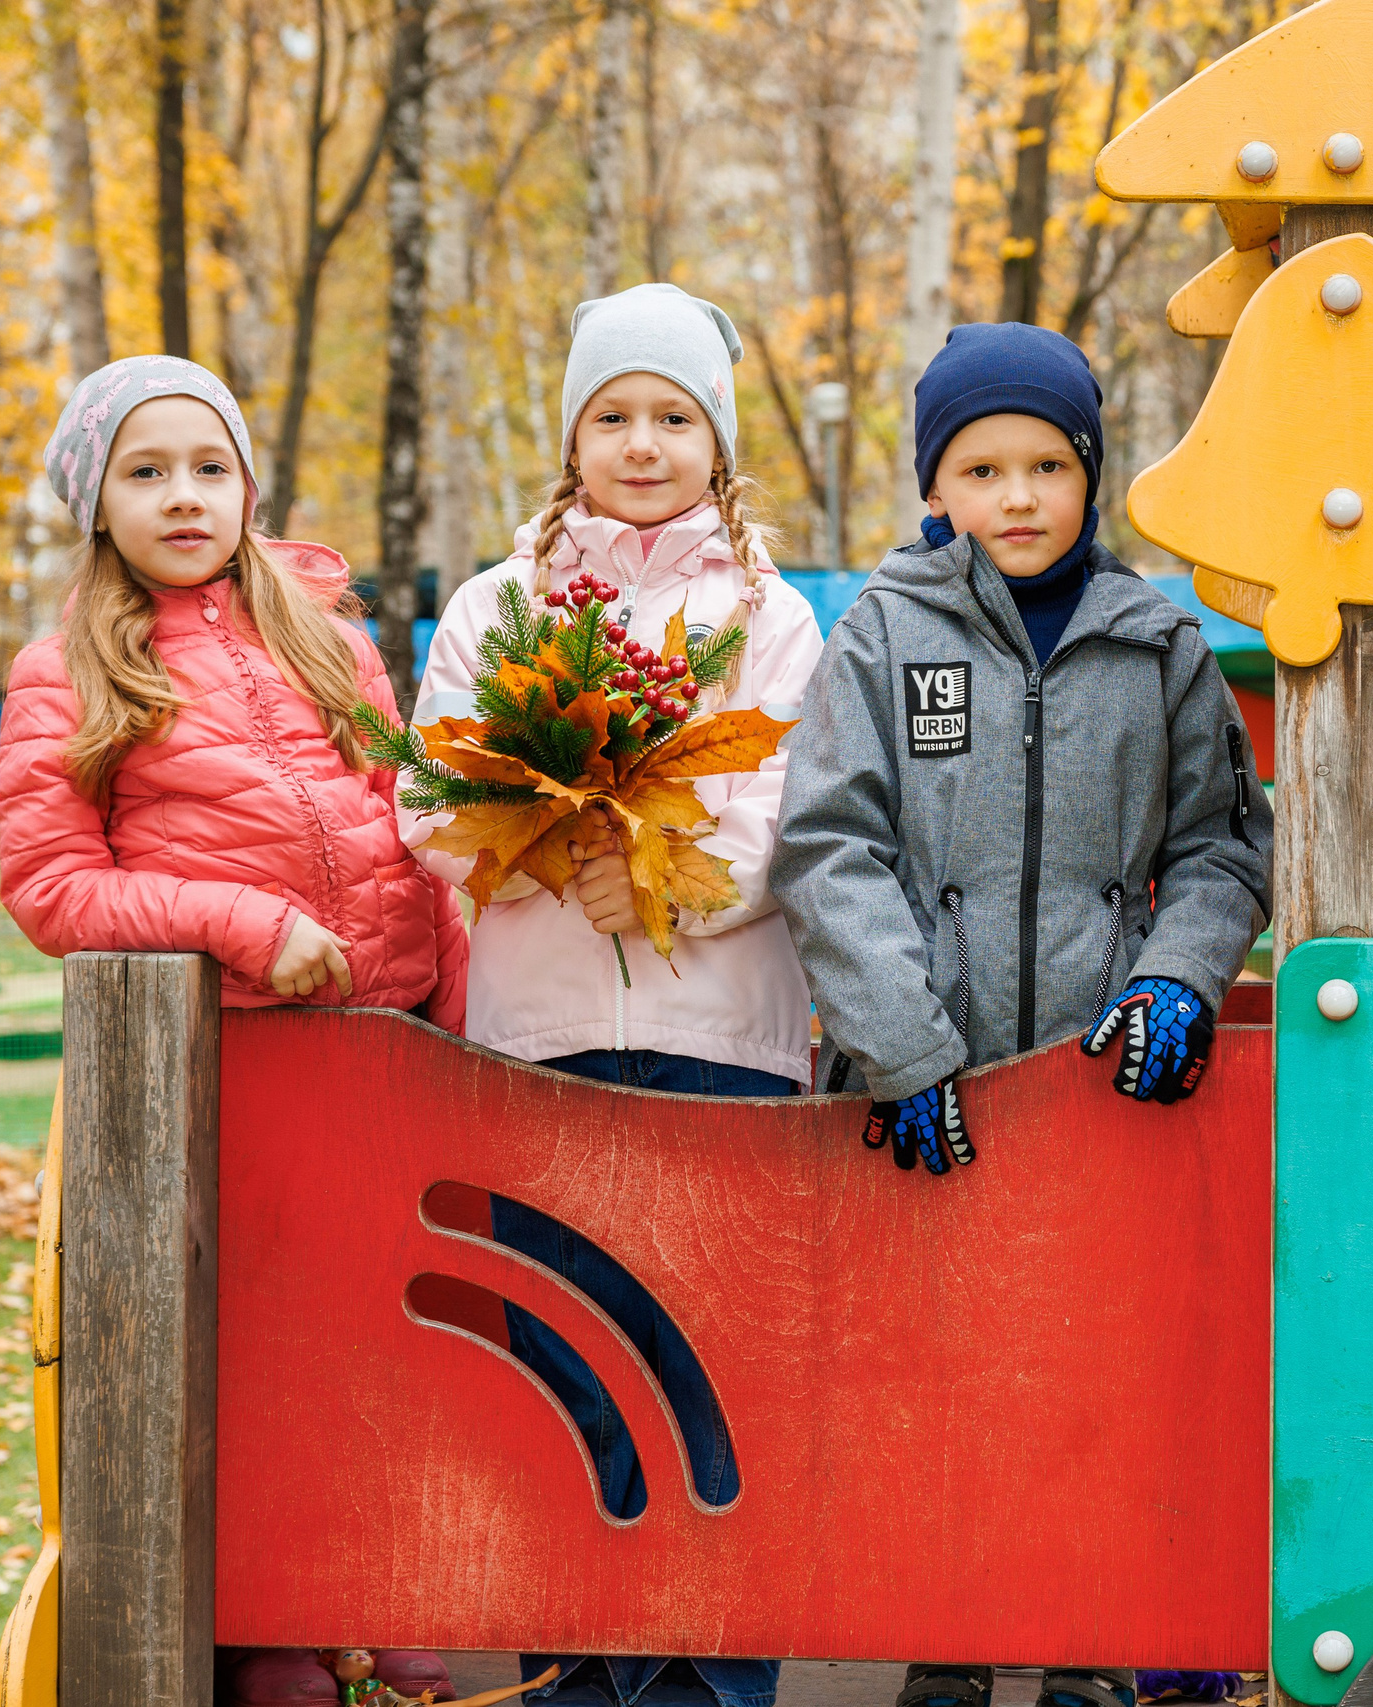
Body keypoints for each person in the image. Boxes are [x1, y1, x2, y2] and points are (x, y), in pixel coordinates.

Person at [769, 321, 1271, 1707]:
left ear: (1091, 472)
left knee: (1096, 1383)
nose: (1021, 495)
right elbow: (829, 846)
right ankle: (951, 1648)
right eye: (983, 467)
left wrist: (1176, 972)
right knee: (938, 1385)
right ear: (938, 486)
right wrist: (903, 1039)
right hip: (938, 1092)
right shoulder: (882, 633)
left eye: (1049, 463)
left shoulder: (1157, 639)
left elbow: (1226, 841)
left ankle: (1093, 1656)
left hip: (1103, 1091)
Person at [0, 354, 467, 1707]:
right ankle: (268, 1624)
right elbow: (51, 885)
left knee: (394, 1331)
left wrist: (455, 983)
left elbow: (403, 816)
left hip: (383, 1056)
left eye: (209, 466)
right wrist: (243, 924)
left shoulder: (330, 633)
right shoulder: (70, 668)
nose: (184, 494)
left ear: (248, 482)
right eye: (145, 472)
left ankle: (377, 1594)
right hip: (229, 1072)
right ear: (98, 503)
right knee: (256, 1358)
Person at [403, 283, 822, 1707]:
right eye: (614, 415)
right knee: (569, 1356)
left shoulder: (767, 615)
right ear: (571, 435)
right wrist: (541, 839)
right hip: (545, 1040)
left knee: (708, 1361)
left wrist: (675, 870)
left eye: (673, 415)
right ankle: (573, 1671)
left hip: (724, 1038)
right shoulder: (499, 606)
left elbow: (806, 803)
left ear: (718, 437)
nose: (643, 443)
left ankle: (711, 1681)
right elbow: (427, 792)